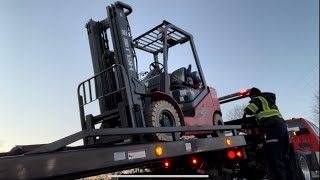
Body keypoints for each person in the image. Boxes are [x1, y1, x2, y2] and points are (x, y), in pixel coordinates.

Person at [244, 87, 295, 180]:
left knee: (276, 158)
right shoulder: (270, 102)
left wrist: (245, 110)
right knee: (285, 157)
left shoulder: (258, 99)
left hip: (273, 129)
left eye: (250, 97)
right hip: (282, 128)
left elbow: (249, 110)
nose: (251, 99)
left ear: (253, 95)